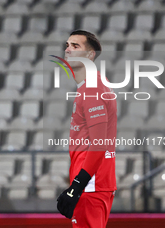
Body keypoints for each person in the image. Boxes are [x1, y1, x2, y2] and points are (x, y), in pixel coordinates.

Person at [56, 30, 117, 228]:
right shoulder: (91, 85)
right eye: (67, 45)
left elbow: (99, 143)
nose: (68, 50)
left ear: (90, 56)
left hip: (91, 185)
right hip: (91, 184)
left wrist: (77, 186)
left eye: (76, 46)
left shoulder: (92, 88)